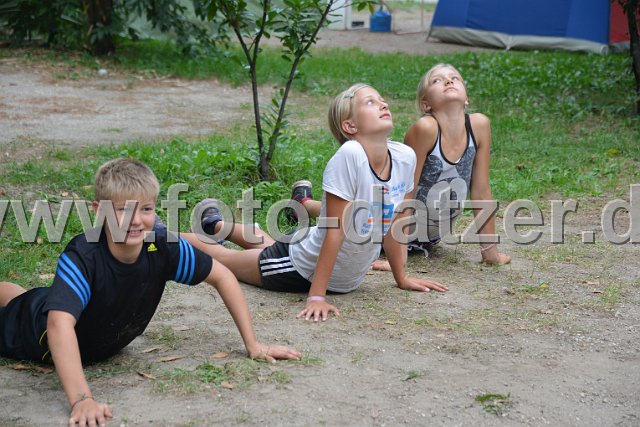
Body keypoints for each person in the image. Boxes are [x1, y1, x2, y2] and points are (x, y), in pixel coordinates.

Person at [0, 158, 301, 427]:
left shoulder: (160, 246)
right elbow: (58, 324)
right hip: (31, 331)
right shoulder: (83, 256)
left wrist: (253, 344)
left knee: (27, 297)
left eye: (145, 209)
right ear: (99, 211)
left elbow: (222, 276)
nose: (136, 220)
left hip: (61, 314)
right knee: (22, 306)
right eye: (123, 210)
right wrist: (82, 399)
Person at [184, 84, 448, 324]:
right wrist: (317, 296)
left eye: (381, 99)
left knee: (266, 247)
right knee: (223, 259)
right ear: (350, 126)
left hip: (320, 254)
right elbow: (335, 231)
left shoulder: (405, 157)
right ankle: (166, 238)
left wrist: (402, 278)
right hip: (300, 267)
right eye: (370, 102)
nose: (383, 104)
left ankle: (215, 224)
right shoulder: (351, 155)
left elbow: (397, 223)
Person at [404, 63, 511, 265]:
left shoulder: (479, 126)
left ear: (466, 99)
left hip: (427, 239)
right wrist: (396, 256)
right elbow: (404, 191)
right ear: (426, 104)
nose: (448, 81)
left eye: (455, 78)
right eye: (436, 80)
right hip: (385, 229)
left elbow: (481, 191)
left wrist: (490, 253)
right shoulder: (425, 128)